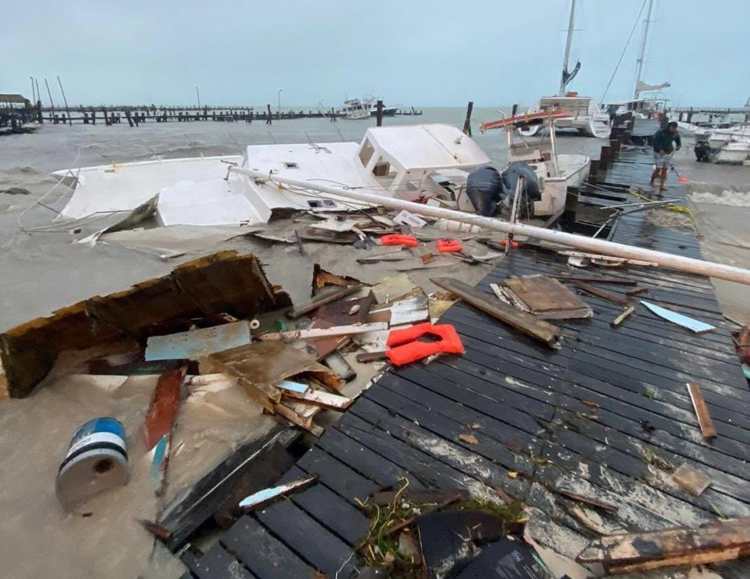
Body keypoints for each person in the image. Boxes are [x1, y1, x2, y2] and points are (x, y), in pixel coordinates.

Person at [651, 121, 681, 192]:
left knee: (665, 169)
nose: (673, 129)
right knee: (658, 169)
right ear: (669, 127)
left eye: (675, 128)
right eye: (672, 128)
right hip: (658, 153)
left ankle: (662, 186)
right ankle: (652, 181)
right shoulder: (661, 132)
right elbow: (654, 141)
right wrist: (660, 149)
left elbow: (678, 142)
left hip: (668, 152)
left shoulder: (675, 133)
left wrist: (678, 146)